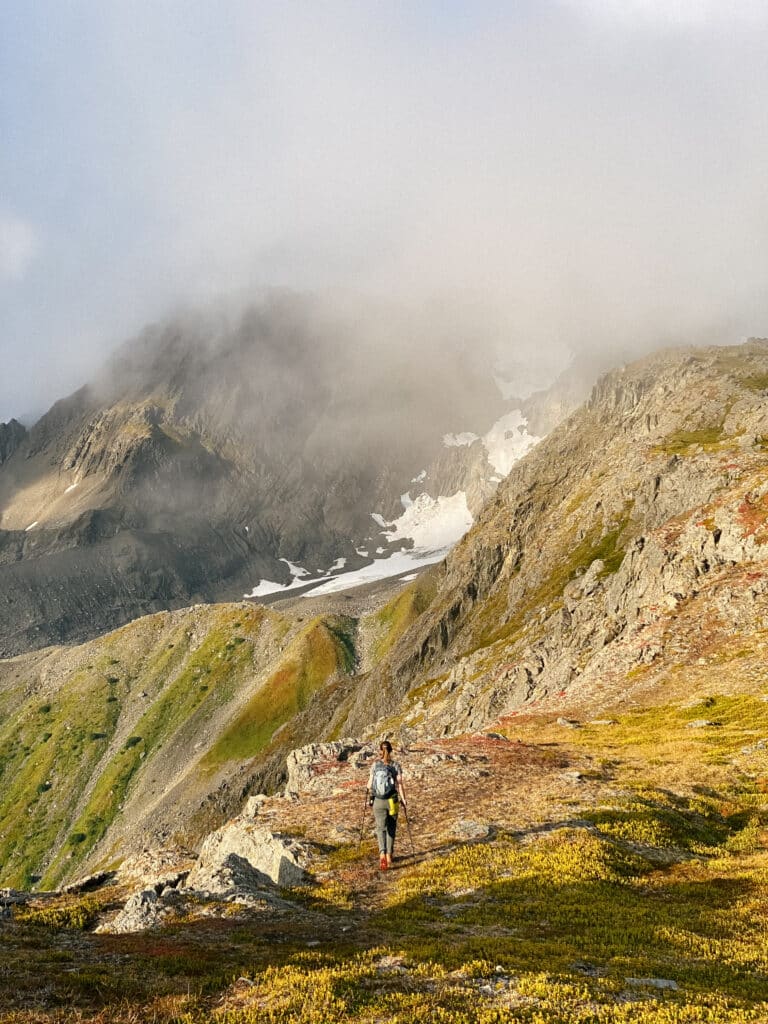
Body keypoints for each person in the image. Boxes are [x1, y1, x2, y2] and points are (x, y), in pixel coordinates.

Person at [367, 739, 407, 870]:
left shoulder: (375, 765)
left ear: (380, 751)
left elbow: (369, 784)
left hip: (378, 801)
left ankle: (382, 854)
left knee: (380, 828)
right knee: (391, 827)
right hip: (392, 801)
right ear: (391, 750)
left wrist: (370, 795)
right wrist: (404, 799)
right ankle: (390, 855)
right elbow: (399, 783)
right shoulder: (396, 765)